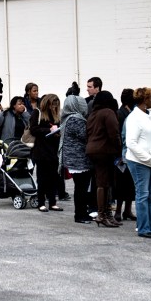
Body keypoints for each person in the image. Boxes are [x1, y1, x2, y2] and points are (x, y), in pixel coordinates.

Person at [125, 87, 151, 238]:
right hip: (140, 162)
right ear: (144, 100)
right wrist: (148, 158)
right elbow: (131, 143)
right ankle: (143, 228)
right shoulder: (134, 118)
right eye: (150, 98)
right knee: (142, 194)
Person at [86, 90, 122, 227]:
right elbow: (114, 134)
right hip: (104, 151)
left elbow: (88, 133)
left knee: (103, 182)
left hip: (92, 150)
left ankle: (106, 214)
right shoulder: (108, 112)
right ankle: (102, 214)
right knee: (104, 183)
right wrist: (119, 150)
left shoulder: (93, 114)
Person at [60, 95, 91, 223]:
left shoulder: (68, 118)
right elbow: (85, 135)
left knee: (81, 188)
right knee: (81, 188)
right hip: (78, 160)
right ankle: (80, 214)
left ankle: (82, 213)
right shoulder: (75, 119)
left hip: (75, 160)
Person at [114, 88, 137, 222]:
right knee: (121, 184)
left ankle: (127, 210)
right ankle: (118, 210)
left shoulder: (131, 112)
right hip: (121, 155)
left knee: (131, 183)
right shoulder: (120, 114)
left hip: (131, 153)